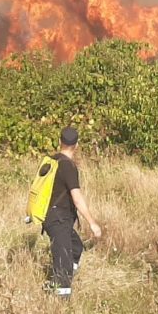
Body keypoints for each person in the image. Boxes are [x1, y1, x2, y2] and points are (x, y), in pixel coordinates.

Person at [43, 125, 102, 297]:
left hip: (53, 217)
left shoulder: (52, 161)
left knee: (75, 247)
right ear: (76, 145)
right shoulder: (68, 166)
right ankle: (60, 297)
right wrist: (92, 223)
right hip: (58, 219)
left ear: (59, 141)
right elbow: (77, 198)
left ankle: (62, 278)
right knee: (63, 262)